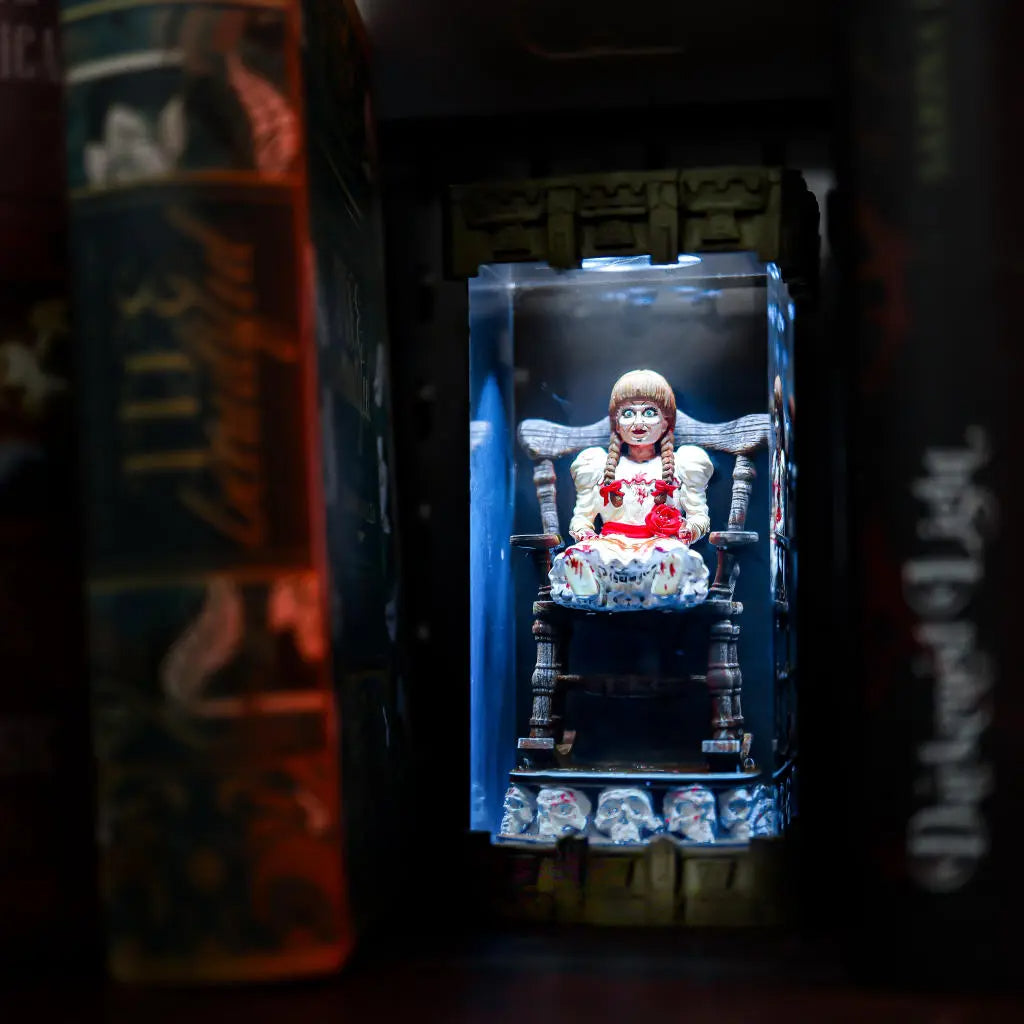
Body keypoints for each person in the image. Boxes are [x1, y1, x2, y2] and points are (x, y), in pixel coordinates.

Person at [548, 369, 713, 611]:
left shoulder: (684, 464)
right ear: (616, 423)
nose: (638, 422)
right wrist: (584, 532)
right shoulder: (597, 465)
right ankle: (591, 593)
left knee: (673, 556)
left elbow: (699, 516)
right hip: (610, 545)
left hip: (657, 545)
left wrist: (689, 530)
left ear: (666, 421)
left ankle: (662, 594)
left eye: (649, 412)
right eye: (628, 413)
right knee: (579, 556)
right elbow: (582, 517)